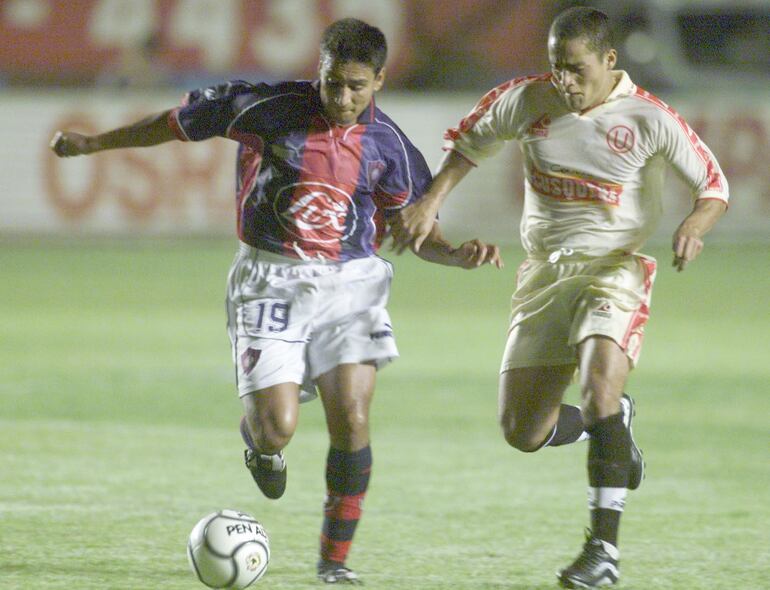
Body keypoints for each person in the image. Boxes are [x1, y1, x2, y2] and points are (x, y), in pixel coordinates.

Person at [50, 18, 501, 585]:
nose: (341, 97)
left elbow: (416, 231)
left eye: (355, 86)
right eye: (332, 82)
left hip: (351, 284)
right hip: (270, 280)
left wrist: (456, 254)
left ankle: (333, 564)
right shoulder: (264, 108)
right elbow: (176, 123)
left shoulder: (390, 148)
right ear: (319, 69)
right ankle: (261, 448)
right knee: (276, 427)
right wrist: (95, 143)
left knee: (354, 418)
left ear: (380, 80)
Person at [390, 6, 728, 588]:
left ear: (608, 62)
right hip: (546, 274)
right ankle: (613, 426)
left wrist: (695, 226)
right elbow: (471, 142)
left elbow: (714, 185)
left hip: (613, 269)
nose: (564, 82)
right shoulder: (527, 100)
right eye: (555, 68)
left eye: (575, 69)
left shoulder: (649, 117)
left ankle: (603, 552)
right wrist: (430, 201)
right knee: (524, 431)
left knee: (596, 390)